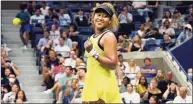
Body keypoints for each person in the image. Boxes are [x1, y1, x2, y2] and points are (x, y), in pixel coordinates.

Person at [82, 3, 121, 103]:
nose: (100, 18)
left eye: (105, 16)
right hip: (92, 84)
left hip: (103, 86)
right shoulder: (92, 37)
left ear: (110, 21)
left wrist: (92, 52)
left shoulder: (108, 36)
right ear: (93, 16)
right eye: (98, 15)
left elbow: (112, 64)